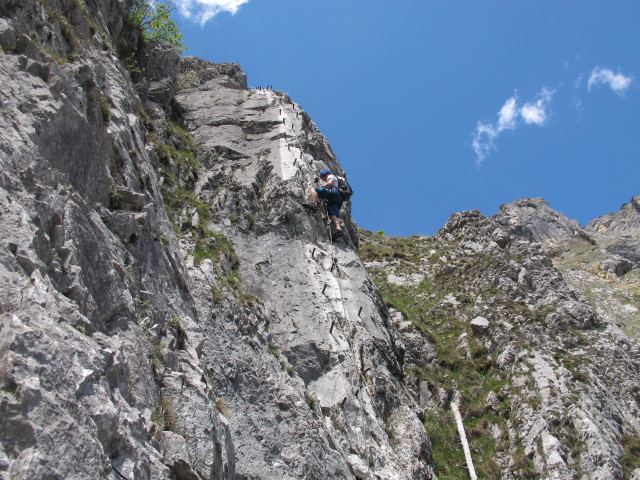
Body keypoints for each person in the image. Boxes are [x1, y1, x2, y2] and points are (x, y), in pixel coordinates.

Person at [303, 169, 344, 238]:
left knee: (313, 190)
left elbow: (329, 183)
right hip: (338, 199)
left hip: (333, 194)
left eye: (323, 177)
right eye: (322, 178)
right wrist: (318, 184)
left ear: (326, 174)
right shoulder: (335, 182)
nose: (324, 179)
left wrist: (322, 186)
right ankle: (338, 228)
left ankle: (314, 204)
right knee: (332, 214)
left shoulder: (330, 176)